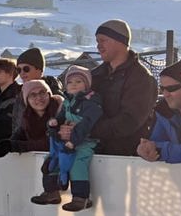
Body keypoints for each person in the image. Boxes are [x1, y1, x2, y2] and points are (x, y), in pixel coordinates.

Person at [62, 20, 157, 156]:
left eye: (103, 40)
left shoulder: (142, 79)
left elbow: (129, 121)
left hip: (124, 157)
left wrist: (87, 129)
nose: (98, 46)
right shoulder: (93, 76)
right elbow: (75, 105)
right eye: (97, 41)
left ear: (120, 41)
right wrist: (65, 125)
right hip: (89, 153)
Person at [33, 66, 102, 212]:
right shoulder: (67, 102)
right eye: (70, 82)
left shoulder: (91, 103)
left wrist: (73, 141)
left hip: (84, 141)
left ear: (87, 84)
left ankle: (80, 197)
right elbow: (61, 117)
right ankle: (51, 192)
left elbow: (86, 124)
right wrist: (54, 124)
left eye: (78, 81)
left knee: (77, 164)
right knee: (52, 161)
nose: (74, 84)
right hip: (67, 140)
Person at [0, 79, 62, 157]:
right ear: (27, 100)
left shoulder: (60, 113)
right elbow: (19, 134)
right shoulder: (27, 116)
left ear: (49, 94)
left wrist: (15, 146)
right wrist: (6, 144)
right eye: (33, 95)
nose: (39, 98)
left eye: (42, 93)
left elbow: (50, 143)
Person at [13, 47, 63, 134]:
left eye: (26, 69)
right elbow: (16, 125)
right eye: (18, 70)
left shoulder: (55, 95)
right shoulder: (20, 94)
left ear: (39, 69)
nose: (22, 73)